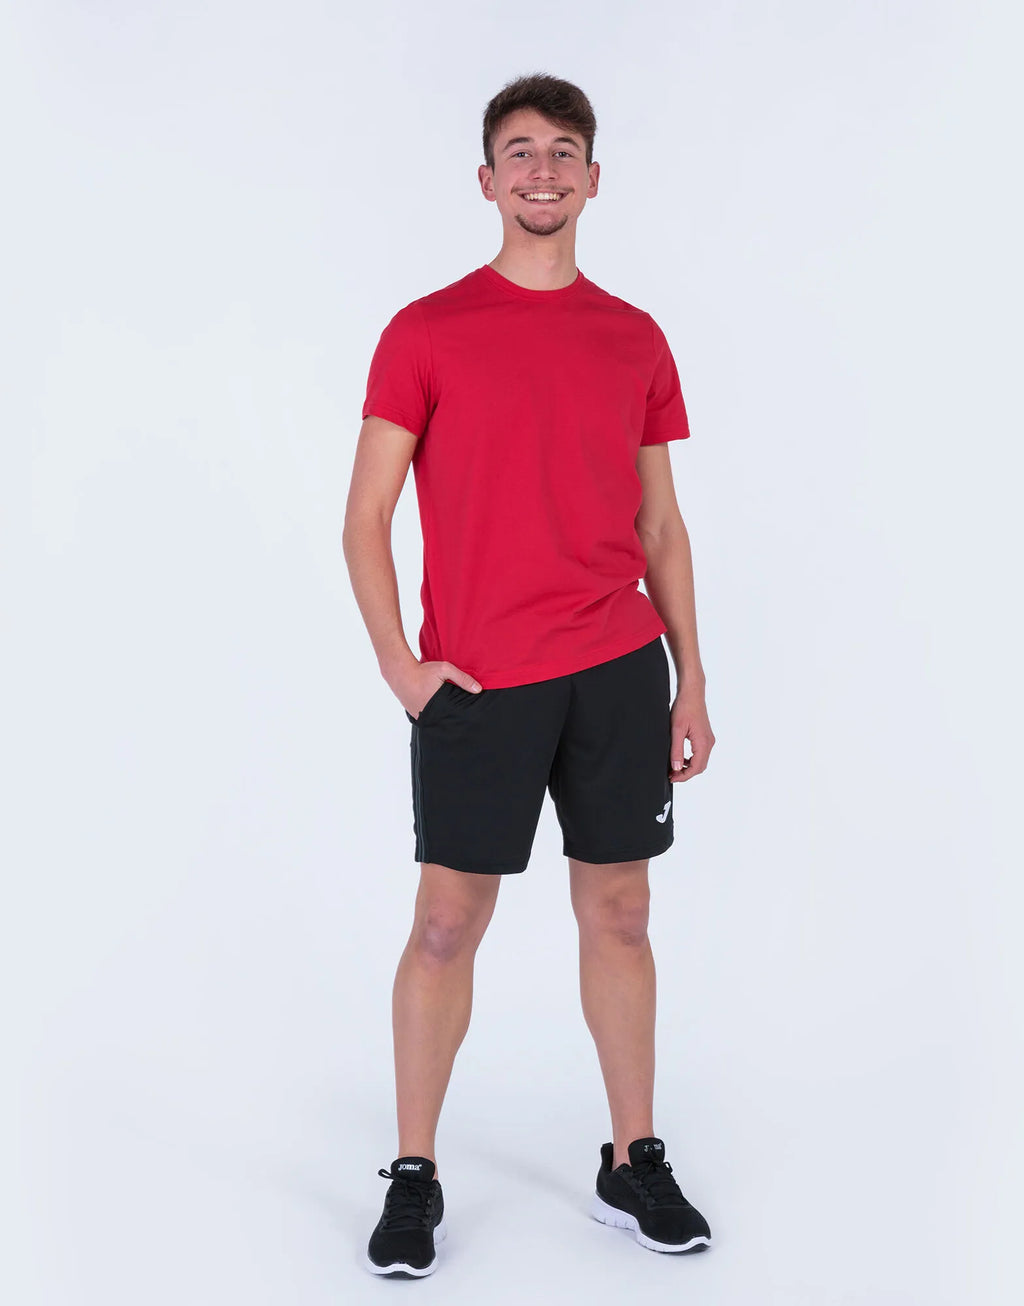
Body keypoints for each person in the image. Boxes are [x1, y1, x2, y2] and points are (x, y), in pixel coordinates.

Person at [343, 72, 716, 1278]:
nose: (541, 168)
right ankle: (413, 1173)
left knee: (621, 913)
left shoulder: (633, 336)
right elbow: (364, 517)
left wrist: (690, 678)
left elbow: (660, 526)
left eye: (562, 150)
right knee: (444, 926)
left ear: (593, 180)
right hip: (479, 682)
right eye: (519, 150)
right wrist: (403, 668)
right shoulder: (426, 331)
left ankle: (631, 1157)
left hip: (615, 665)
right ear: (487, 179)